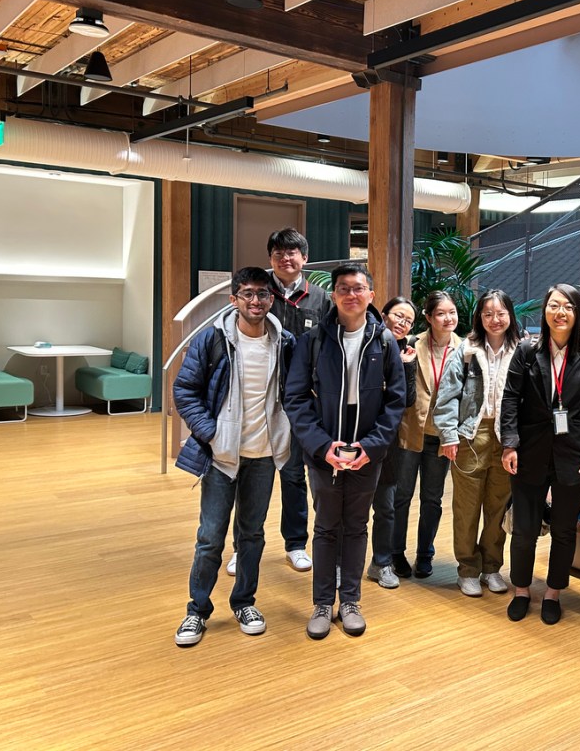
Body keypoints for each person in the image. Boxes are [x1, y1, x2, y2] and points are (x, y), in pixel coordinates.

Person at [172, 267, 295, 647]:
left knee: (252, 535)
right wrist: (211, 433)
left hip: (264, 455)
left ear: (271, 299)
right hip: (222, 456)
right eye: (247, 294)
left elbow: (297, 394)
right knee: (210, 537)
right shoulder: (212, 340)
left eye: (262, 294)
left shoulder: (285, 342)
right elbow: (184, 391)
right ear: (234, 300)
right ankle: (197, 610)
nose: (255, 301)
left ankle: (244, 601)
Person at [284, 263, 406, 640]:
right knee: (324, 527)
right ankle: (322, 603)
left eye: (358, 288)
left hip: (367, 450)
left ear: (371, 295)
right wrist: (322, 446)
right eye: (343, 289)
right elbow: (296, 399)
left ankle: (350, 600)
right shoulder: (314, 341)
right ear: (333, 295)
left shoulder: (384, 341)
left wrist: (371, 447)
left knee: (356, 526)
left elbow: (396, 402)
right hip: (325, 446)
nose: (351, 295)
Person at [500, 283, 580, 625]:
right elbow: (510, 398)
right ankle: (521, 589)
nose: (560, 313)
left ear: (577, 314)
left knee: (562, 529)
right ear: (545, 310)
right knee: (525, 528)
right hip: (529, 451)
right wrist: (510, 443)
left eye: (568, 307)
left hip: (572, 453)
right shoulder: (527, 350)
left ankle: (553, 592)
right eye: (554, 306)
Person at [227, 228, 329, 577]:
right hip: (257, 398)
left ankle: (295, 544)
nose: (286, 258)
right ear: (271, 258)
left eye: (293, 252)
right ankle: (242, 546)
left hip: (301, 403)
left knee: (293, 476)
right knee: (249, 476)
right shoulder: (258, 290)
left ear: (305, 257)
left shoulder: (320, 298)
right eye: (279, 253)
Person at [433, 290, 520, 597]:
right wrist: (449, 436)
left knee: (498, 509)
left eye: (500, 313)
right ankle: (468, 569)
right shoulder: (466, 350)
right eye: (487, 314)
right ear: (479, 318)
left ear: (510, 315)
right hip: (471, 435)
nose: (495, 320)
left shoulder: (522, 350)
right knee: (467, 509)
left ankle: (493, 567)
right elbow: (446, 397)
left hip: (508, 438)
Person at [390, 291, 461, 579]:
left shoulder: (465, 349)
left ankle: (425, 554)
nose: (448, 318)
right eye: (441, 313)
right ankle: (395, 552)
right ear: (429, 318)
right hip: (410, 432)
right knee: (402, 495)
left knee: (432, 499)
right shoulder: (410, 343)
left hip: (442, 436)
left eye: (452, 312)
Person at [365, 297, 419, 589]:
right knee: (353, 508)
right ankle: (340, 563)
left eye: (409, 320)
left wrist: (407, 367)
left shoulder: (407, 351)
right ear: (383, 314)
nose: (403, 323)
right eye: (399, 316)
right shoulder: (366, 341)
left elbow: (407, 400)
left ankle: (381, 563)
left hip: (389, 440)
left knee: (385, 506)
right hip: (358, 436)